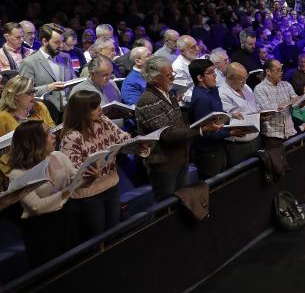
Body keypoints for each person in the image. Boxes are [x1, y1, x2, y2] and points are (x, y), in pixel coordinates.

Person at [61, 90, 148, 240]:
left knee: (114, 234)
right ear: (82, 112)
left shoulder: (104, 122)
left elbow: (123, 138)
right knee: (97, 239)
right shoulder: (71, 137)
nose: (100, 109)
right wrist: (89, 174)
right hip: (89, 196)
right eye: (95, 107)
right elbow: (73, 172)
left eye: (99, 105)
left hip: (111, 185)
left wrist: (138, 145)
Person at [136, 56, 221, 201]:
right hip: (164, 164)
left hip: (179, 158)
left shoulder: (168, 94)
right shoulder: (147, 100)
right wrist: (201, 130)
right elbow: (167, 134)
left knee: (184, 202)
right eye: (169, 75)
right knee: (167, 208)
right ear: (155, 78)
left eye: (172, 74)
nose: (173, 78)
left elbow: (179, 123)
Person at [8, 120, 80, 267]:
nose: (53, 136)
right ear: (33, 142)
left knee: (76, 265)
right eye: (47, 134)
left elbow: (77, 180)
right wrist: (66, 193)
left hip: (67, 219)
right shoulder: (17, 174)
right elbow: (36, 207)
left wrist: (89, 176)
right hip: (42, 230)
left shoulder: (58, 156)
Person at [19, 23, 76, 122]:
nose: (61, 45)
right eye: (57, 42)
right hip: (46, 115)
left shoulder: (66, 57)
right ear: (44, 41)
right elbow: (23, 93)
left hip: (69, 113)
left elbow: (73, 79)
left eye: (62, 41)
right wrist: (48, 87)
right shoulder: (29, 63)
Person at [218, 62, 264, 166]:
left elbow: (254, 106)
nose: (244, 81)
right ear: (230, 78)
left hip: (256, 138)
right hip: (238, 145)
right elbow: (229, 118)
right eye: (241, 78)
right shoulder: (222, 93)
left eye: (245, 77)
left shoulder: (246, 87)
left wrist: (260, 113)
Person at [254, 59, 305, 145]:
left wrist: (303, 101)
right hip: (273, 136)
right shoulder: (259, 89)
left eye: (281, 70)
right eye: (278, 70)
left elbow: (296, 103)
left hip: (291, 132)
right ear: (268, 71)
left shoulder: (286, 84)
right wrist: (291, 101)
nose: (281, 73)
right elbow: (268, 109)